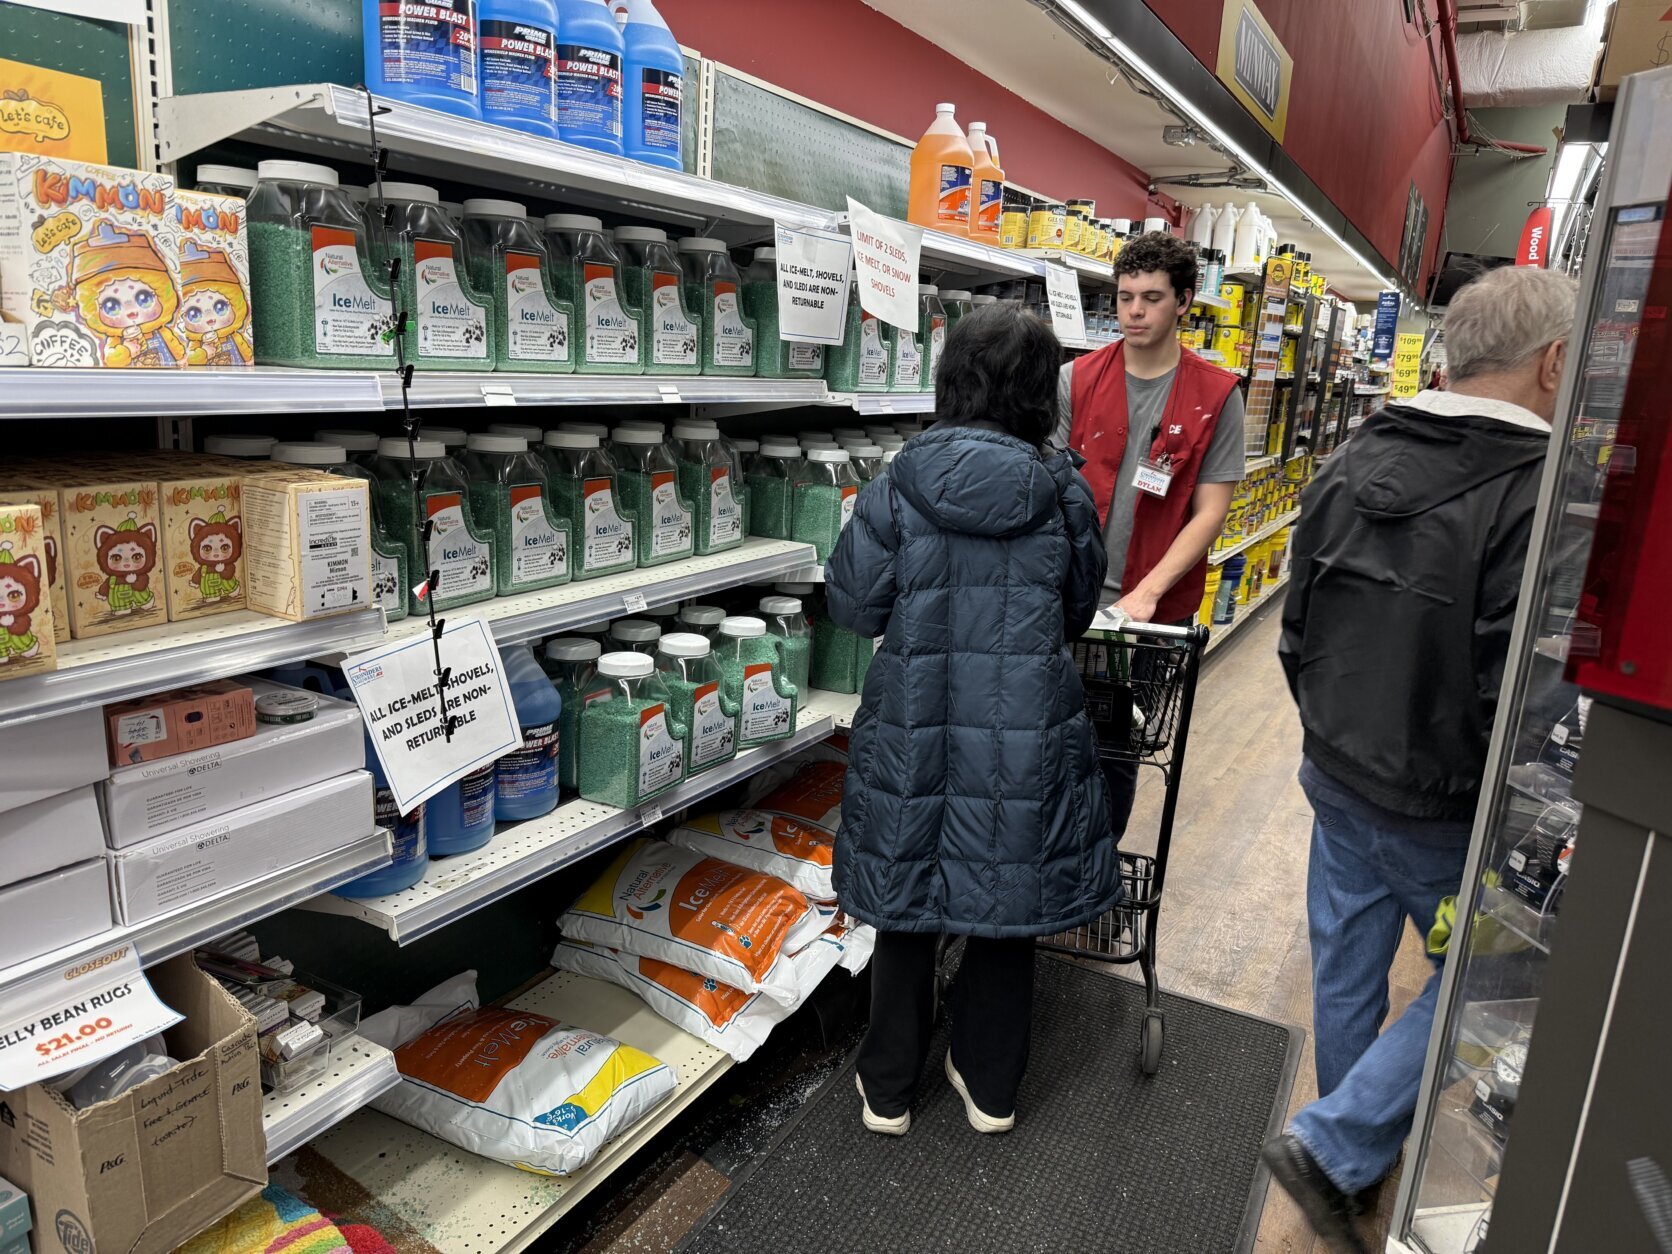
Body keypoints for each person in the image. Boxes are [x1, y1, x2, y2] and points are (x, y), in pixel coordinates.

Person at [1262, 265, 1578, 1252]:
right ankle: (1336, 1142)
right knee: (1496, 979)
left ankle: (1346, 1166)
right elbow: (1524, 691)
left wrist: (1329, 736)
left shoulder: (1354, 457)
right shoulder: (1541, 497)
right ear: (1555, 363)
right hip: (1446, 807)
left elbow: (1294, 619)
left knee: (1347, 960)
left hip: (1335, 770)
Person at [825, 302, 1116, 1136]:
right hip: (1027, 723)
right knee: (1007, 896)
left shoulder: (899, 482)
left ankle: (888, 1089)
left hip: (914, 715)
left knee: (907, 897)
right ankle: (991, 1087)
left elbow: (852, 604)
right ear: (1040, 395)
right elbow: (1076, 609)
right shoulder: (1064, 491)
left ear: (951, 381)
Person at [1053, 230, 1245, 830]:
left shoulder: (1217, 396)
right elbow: (1048, 487)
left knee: (1116, 754)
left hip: (1148, 616)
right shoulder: (1076, 379)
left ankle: (1097, 878)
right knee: (1049, 744)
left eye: (1152, 297)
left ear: (1185, 301)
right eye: (1125, 296)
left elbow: (1210, 511)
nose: (1134, 311)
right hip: (1068, 602)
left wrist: (1150, 593)